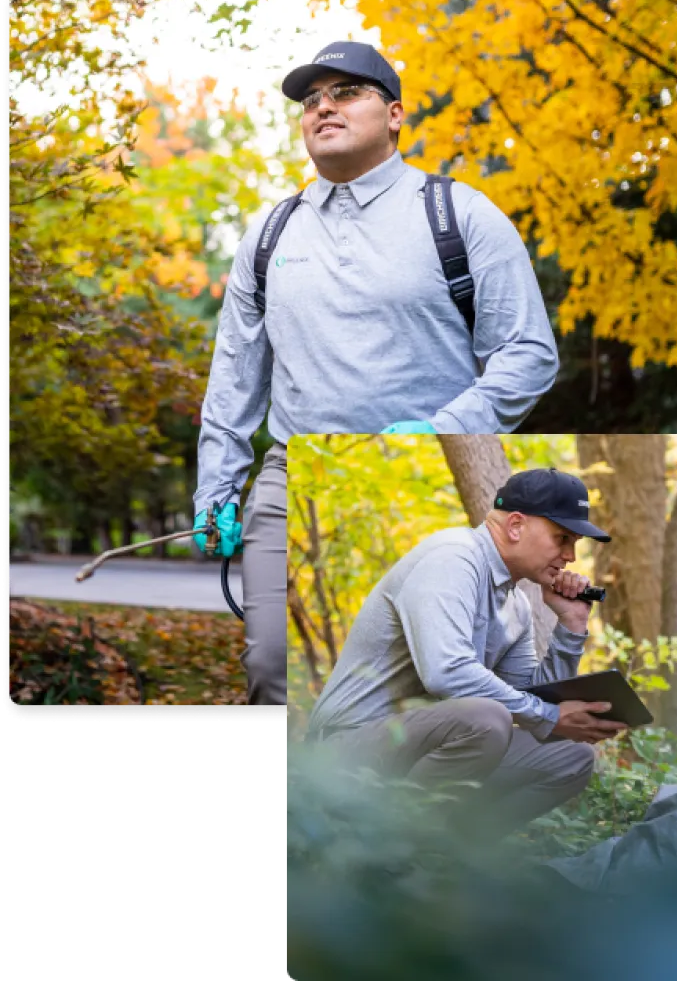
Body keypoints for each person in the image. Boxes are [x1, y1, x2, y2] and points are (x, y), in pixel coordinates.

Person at [193, 42, 561, 706]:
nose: (322, 108)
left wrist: (444, 426)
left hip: (411, 459)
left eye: (345, 93)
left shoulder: (459, 214)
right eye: (310, 101)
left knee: (423, 663)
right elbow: (235, 375)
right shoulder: (271, 235)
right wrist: (215, 486)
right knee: (268, 664)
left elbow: (529, 351)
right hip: (288, 467)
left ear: (394, 114)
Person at [305, 468, 627, 841]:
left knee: (570, 757)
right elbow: (446, 672)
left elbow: (529, 700)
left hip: (422, 750)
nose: (570, 556)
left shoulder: (516, 604)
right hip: (347, 749)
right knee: (485, 718)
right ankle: (391, 849)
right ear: (516, 525)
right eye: (562, 539)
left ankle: (457, 854)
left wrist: (571, 625)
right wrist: (549, 716)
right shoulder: (452, 558)